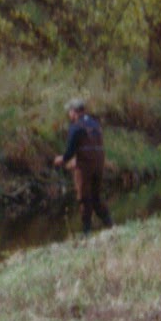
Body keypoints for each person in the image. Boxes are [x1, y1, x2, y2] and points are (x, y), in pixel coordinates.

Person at [54, 98, 114, 234]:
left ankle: (86, 231)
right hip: (99, 164)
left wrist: (61, 160)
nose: (69, 114)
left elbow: (69, 152)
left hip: (85, 166)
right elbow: (93, 147)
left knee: (83, 197)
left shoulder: (75, 127)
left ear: (74, 112)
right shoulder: (96, 124)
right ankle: (110, 224)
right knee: (96, 196)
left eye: (69, 111)